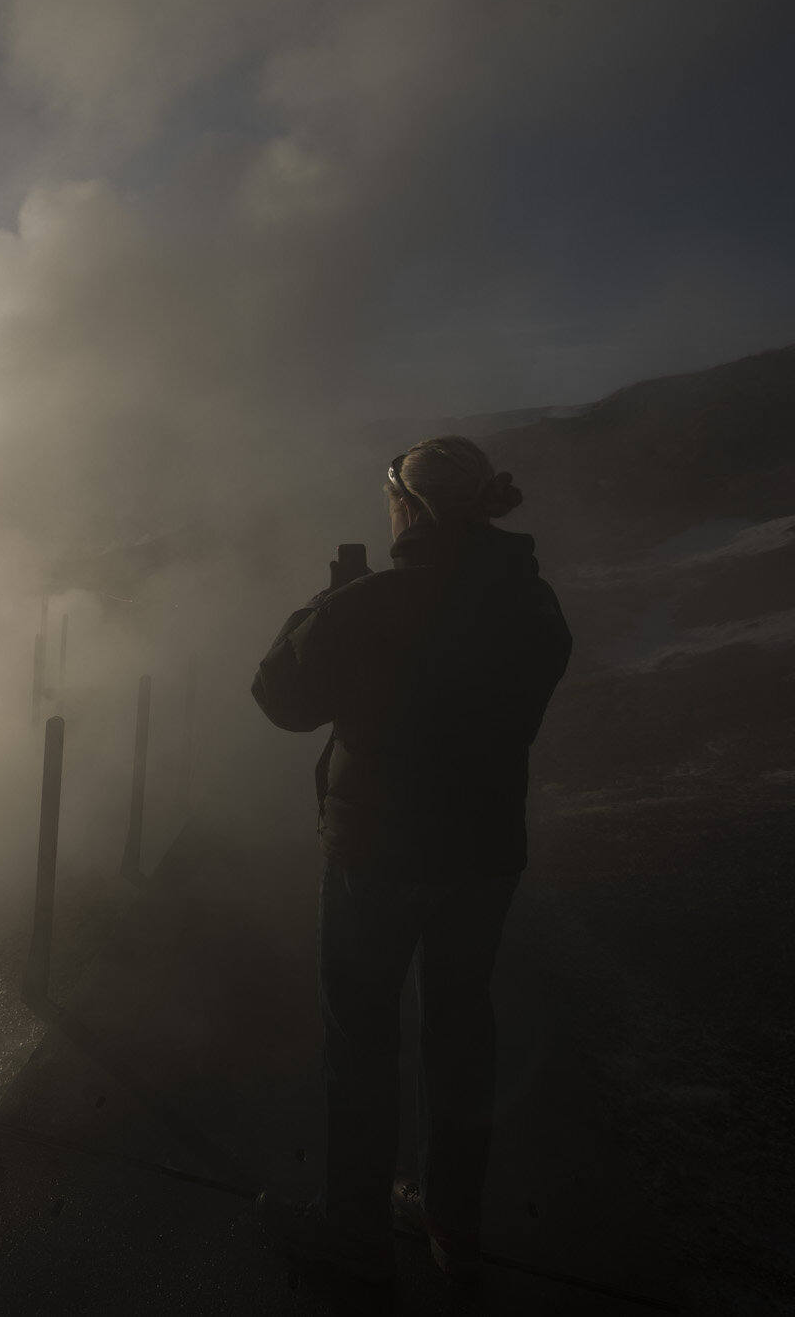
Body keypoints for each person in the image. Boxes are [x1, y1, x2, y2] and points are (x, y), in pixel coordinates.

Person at [251, 436, 572, 1284]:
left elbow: (279, 696)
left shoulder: (375, 601)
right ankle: (450, 1223)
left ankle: (356, 1228)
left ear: (409, 505)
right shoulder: (535, 605)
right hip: (484, 855)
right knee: (462, 1031)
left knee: (361, 1042)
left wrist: (327, 603)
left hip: (377, 854)